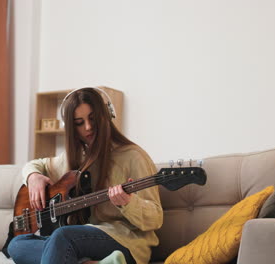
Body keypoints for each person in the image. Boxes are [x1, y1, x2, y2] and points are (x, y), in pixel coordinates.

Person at [8, 87, 163, 264]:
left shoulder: (134, 156)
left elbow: (156, 219)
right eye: (79, 123)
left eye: (92, 119)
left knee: (63, 236)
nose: (88, 127)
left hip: (127, 242)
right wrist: (33, 176)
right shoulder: (73, 158)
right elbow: (37, 164)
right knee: (17, 245)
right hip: (81, 240)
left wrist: (129, 203)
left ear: (106, 116)